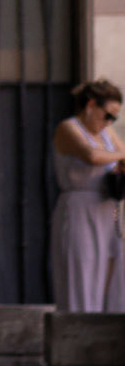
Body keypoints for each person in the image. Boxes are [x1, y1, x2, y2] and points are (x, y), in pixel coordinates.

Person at [52, 79, 125, 312]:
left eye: (114, 118)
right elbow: (91, 155)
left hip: (107, 209)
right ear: (91, 105)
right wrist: (117, 156)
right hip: (79, 208)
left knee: (112, 275)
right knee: (81, 276)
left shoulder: (107, 133)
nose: (109, 122)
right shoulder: (69, 128)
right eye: (108, 115)